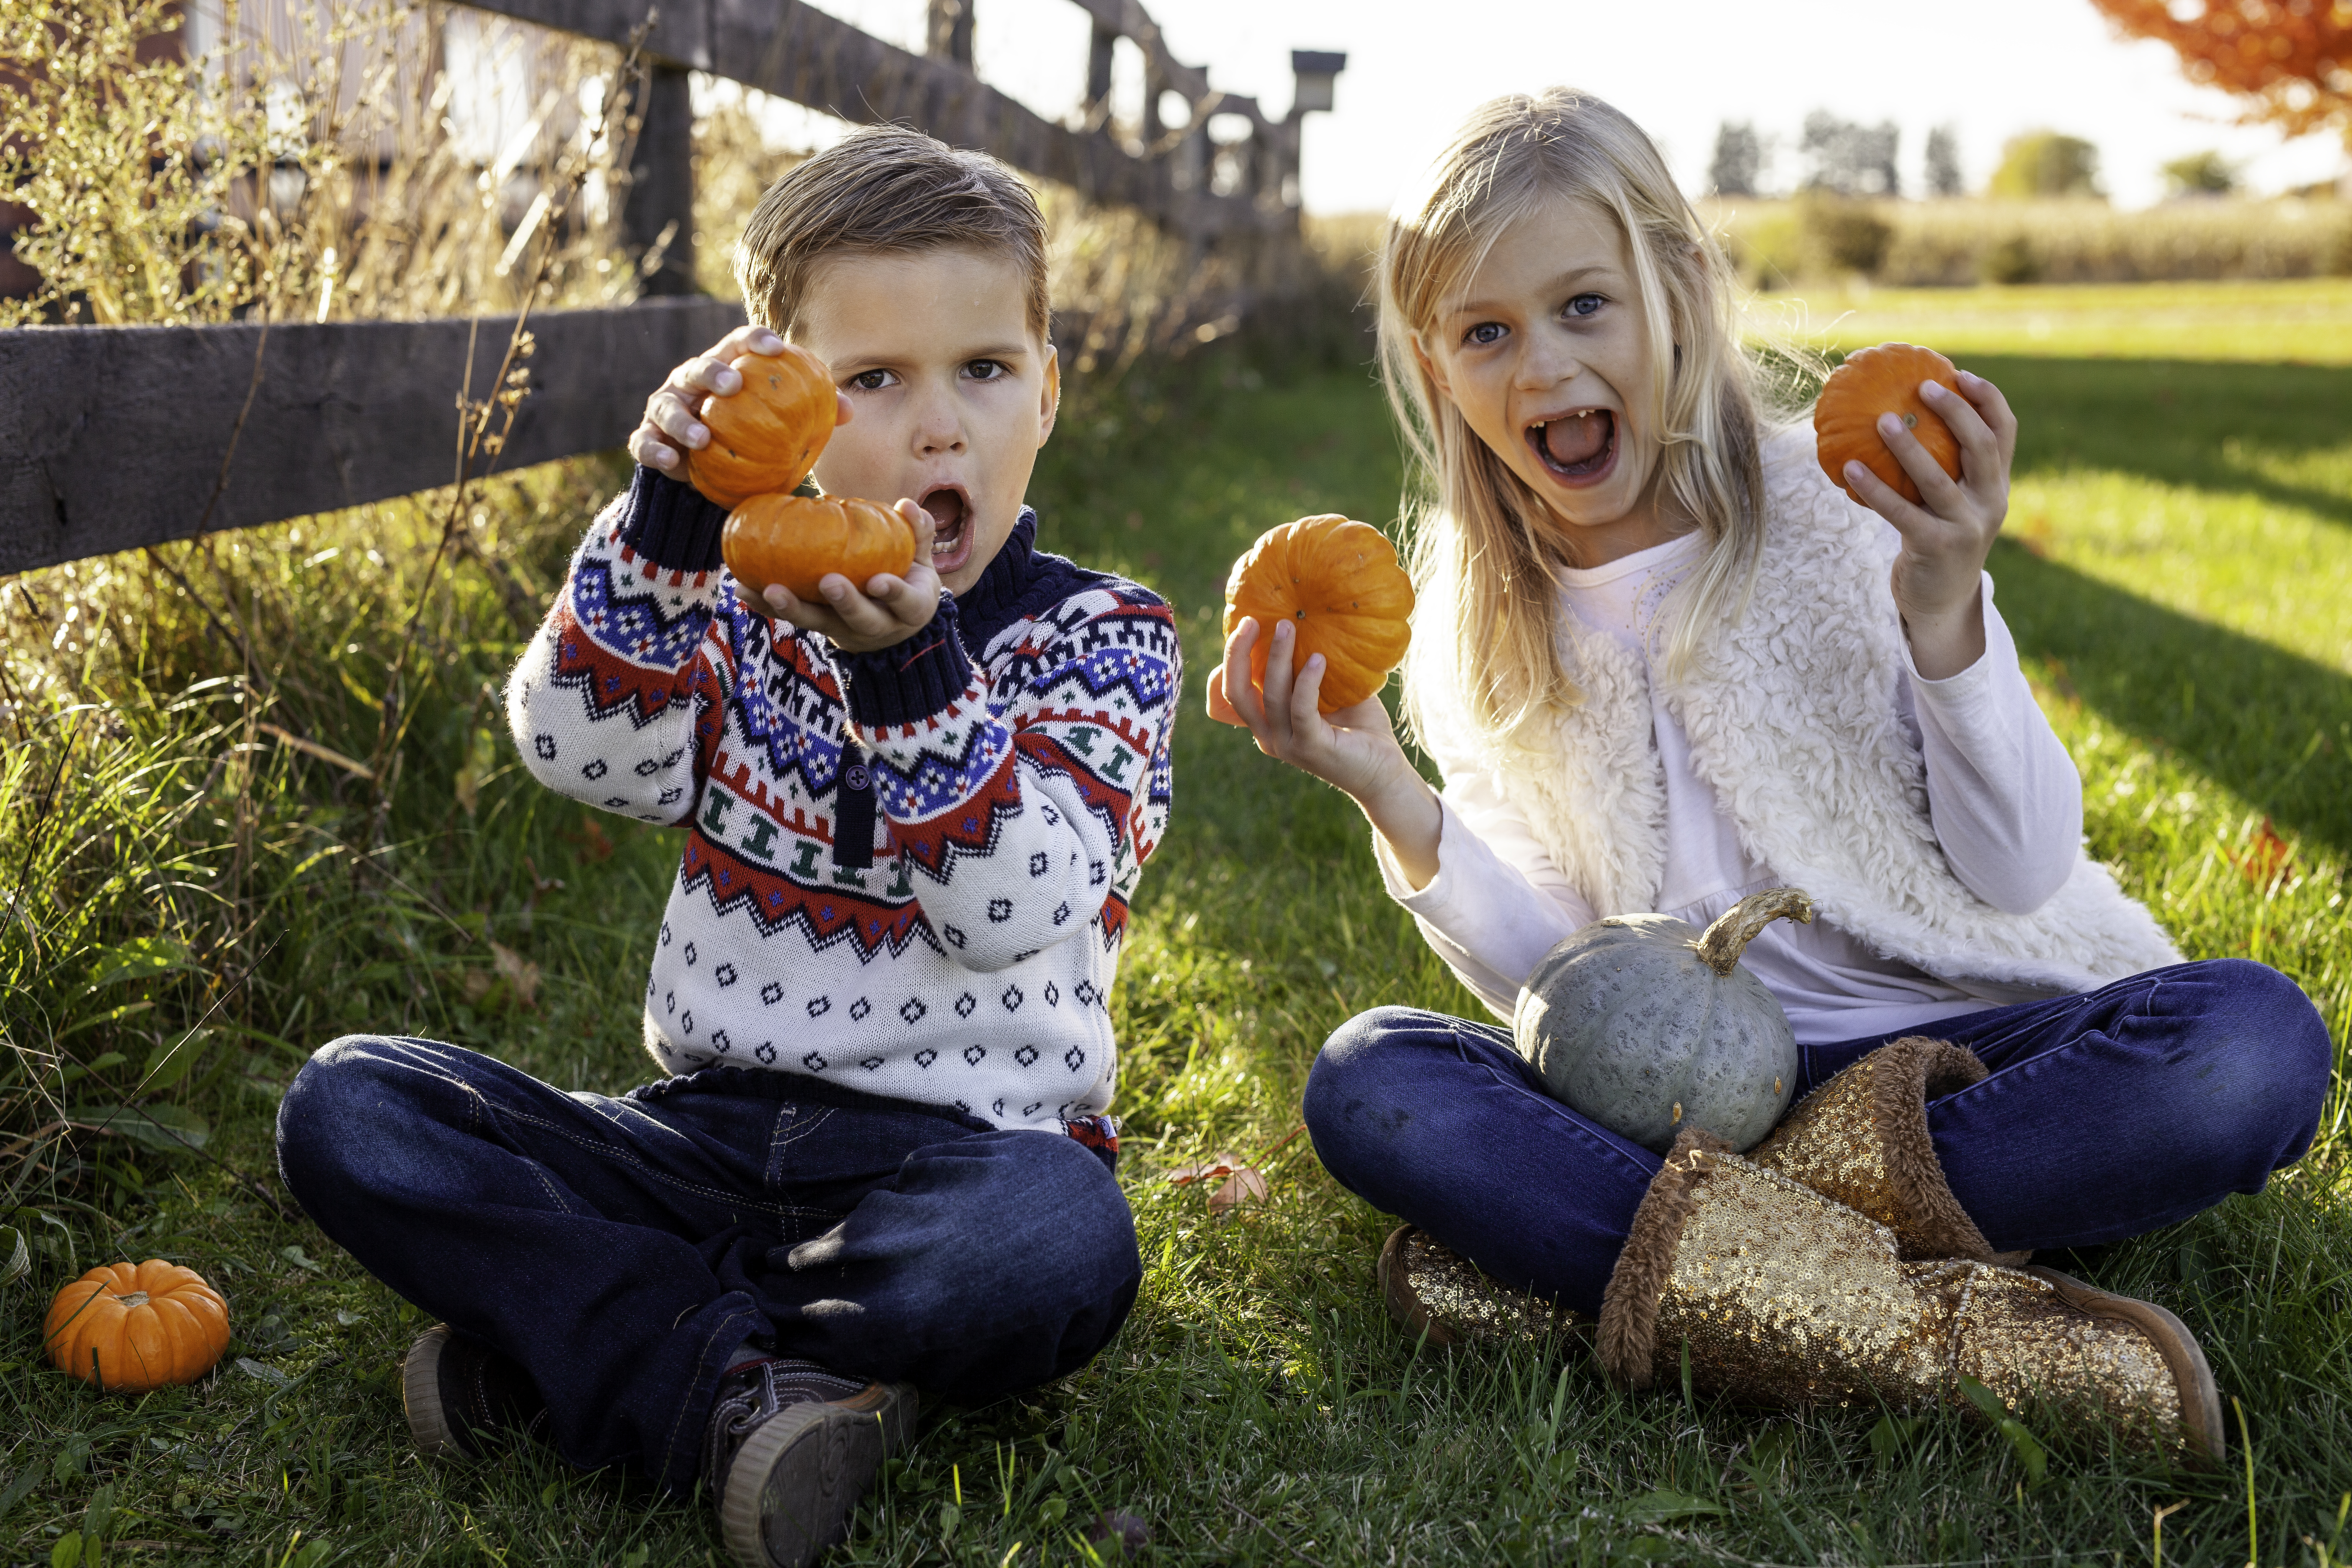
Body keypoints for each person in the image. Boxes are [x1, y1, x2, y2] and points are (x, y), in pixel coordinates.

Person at [1210, 88, 2329, 1460]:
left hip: (1971, 1065)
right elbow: (1565, 990)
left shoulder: (1850, 509)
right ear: (1438, 370)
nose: (1544, 367)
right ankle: (1936, 1330)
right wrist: (1391, 791)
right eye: (1486, 333)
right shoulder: (1468, 621)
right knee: (1373, 1079)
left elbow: (2023, 867)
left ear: (1676, 290)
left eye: (1583, 307)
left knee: (2246, 1049)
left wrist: (1946, 604)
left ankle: (1672, 1277)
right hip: (1697, 1113)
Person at [276, 126, 1180, 1567]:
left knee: (1055, 1241)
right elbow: (583, 752)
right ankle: (765, 1382)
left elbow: (1015, 903)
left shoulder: (1101, 641)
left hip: (955, 1160)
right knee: (353, 1107)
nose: (939, 425)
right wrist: (670, 518)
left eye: (984, 372)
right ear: (790, 406)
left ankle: (609, 1346)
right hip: (702, 1135)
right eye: (874, 381)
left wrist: (913, 677)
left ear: (1048, 393)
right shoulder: (736, 610)